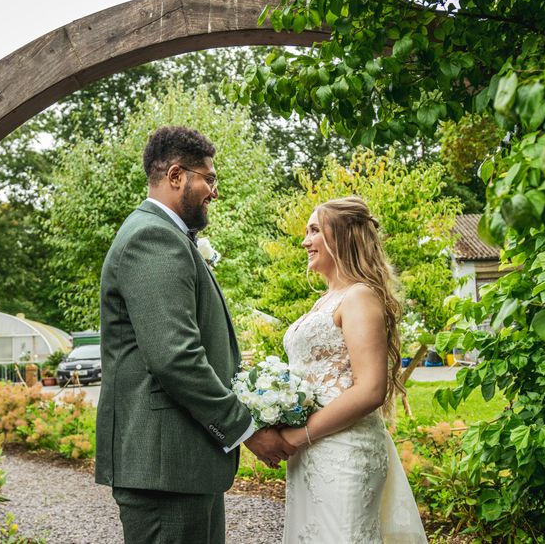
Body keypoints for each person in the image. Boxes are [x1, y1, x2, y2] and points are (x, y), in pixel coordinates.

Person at [95, 126, 295, 544]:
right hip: (166, 468)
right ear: (175, 176)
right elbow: (175, 357)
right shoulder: (152, 238)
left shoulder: (169, 237)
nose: (214, 191)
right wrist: (247, 429)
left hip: (181, 464)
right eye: (209, 178)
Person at [279, 196, 427, 543]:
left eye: (314, 230)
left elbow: (371, 389)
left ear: (341, 236)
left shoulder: (359, 297)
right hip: (313, 453)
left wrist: (300, 435)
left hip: (343, 452)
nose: (305, 241)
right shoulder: (326, 299)